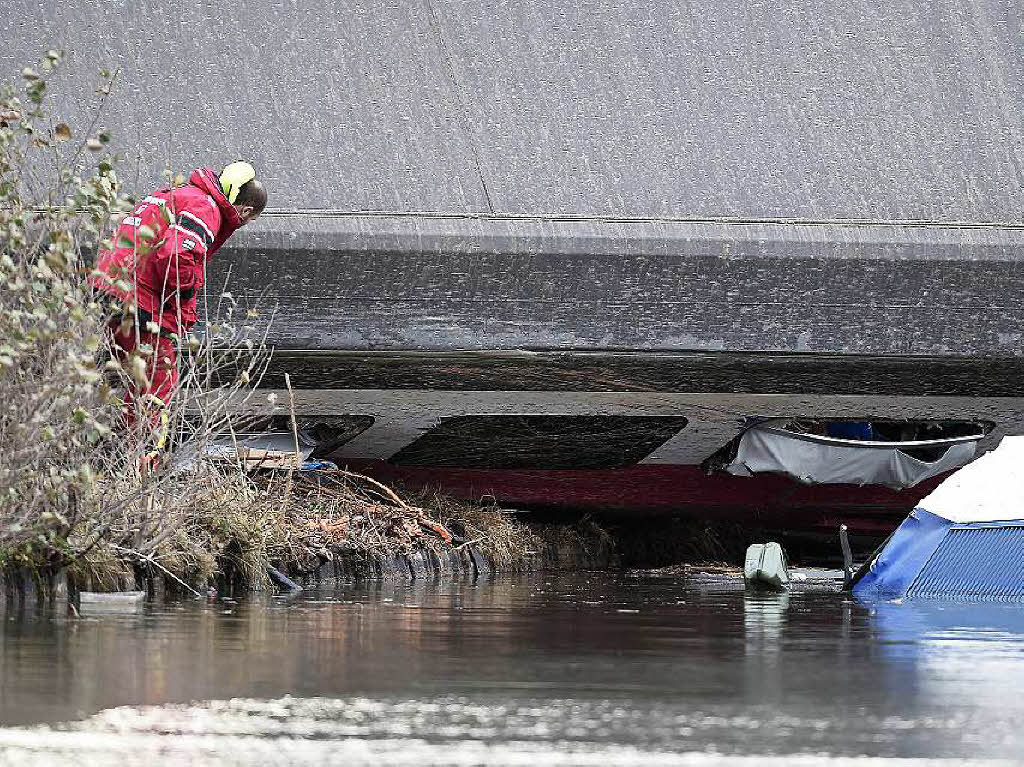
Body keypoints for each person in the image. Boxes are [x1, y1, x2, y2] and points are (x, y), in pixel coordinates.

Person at [92, 162, 267, 425]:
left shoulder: (179, 194)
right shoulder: (205, 208)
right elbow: (177, 258)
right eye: (249, 219)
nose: (244, 223)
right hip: (137, 299)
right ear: (246, 210)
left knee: (135, 378)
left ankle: (115, 448)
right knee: (158, 382)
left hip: (111, 289)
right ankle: (138, 458)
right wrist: (182, 304)